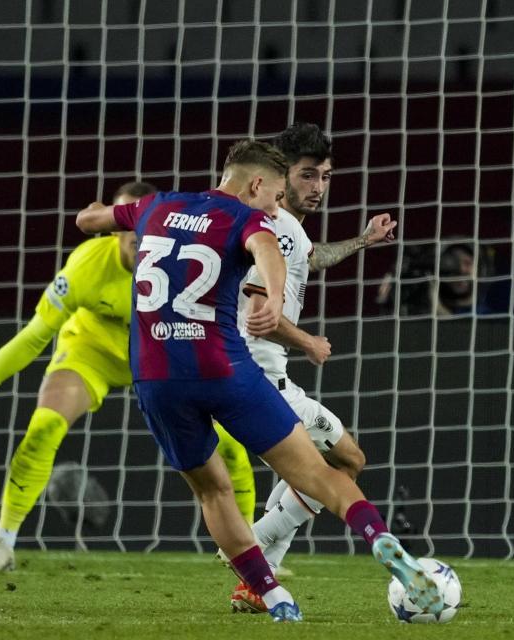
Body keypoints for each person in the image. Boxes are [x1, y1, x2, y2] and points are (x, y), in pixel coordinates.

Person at [75, 139, 442, 622]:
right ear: (256, 185)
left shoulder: (158, 204)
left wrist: (103, 212)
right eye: (272, 198)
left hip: (157, 376)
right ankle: (378, 537)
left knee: (212, 491)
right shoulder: (249, 218)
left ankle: (272, 596)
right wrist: (273, 296)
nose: (275, 209)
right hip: (227, 368)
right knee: (322, 472)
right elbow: (266, 247)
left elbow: (88, 221)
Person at [0, 180, 257, 571]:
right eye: (125, 222)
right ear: (110, 224)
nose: (135, 233)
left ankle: (253, 545)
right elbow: (35, 336)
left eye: (143, 221)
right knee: (44, 428)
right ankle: (2, 542)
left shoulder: (189, 265)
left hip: (163, 357)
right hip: (92, 354)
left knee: (229, 447)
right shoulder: (88, 265)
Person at [226, 122, 398, 613]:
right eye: (307, 176)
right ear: (280, 173)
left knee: (324, 466)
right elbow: (260, 315)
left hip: (254, 375)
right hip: (257, 377)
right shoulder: (270, 225)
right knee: (347, 463)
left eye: (325, 176)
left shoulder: (286, 229)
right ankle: (249, 548)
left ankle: (255, 582)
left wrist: (362, 242)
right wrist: (308, 342)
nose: (318, 187)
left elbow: (309, 257)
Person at [377, 241, 491, 316]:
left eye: (465, 280)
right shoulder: (416, 272)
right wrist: (385, 301)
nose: (461, 271)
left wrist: (438, 313)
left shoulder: (478, 316)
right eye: (467, 263)